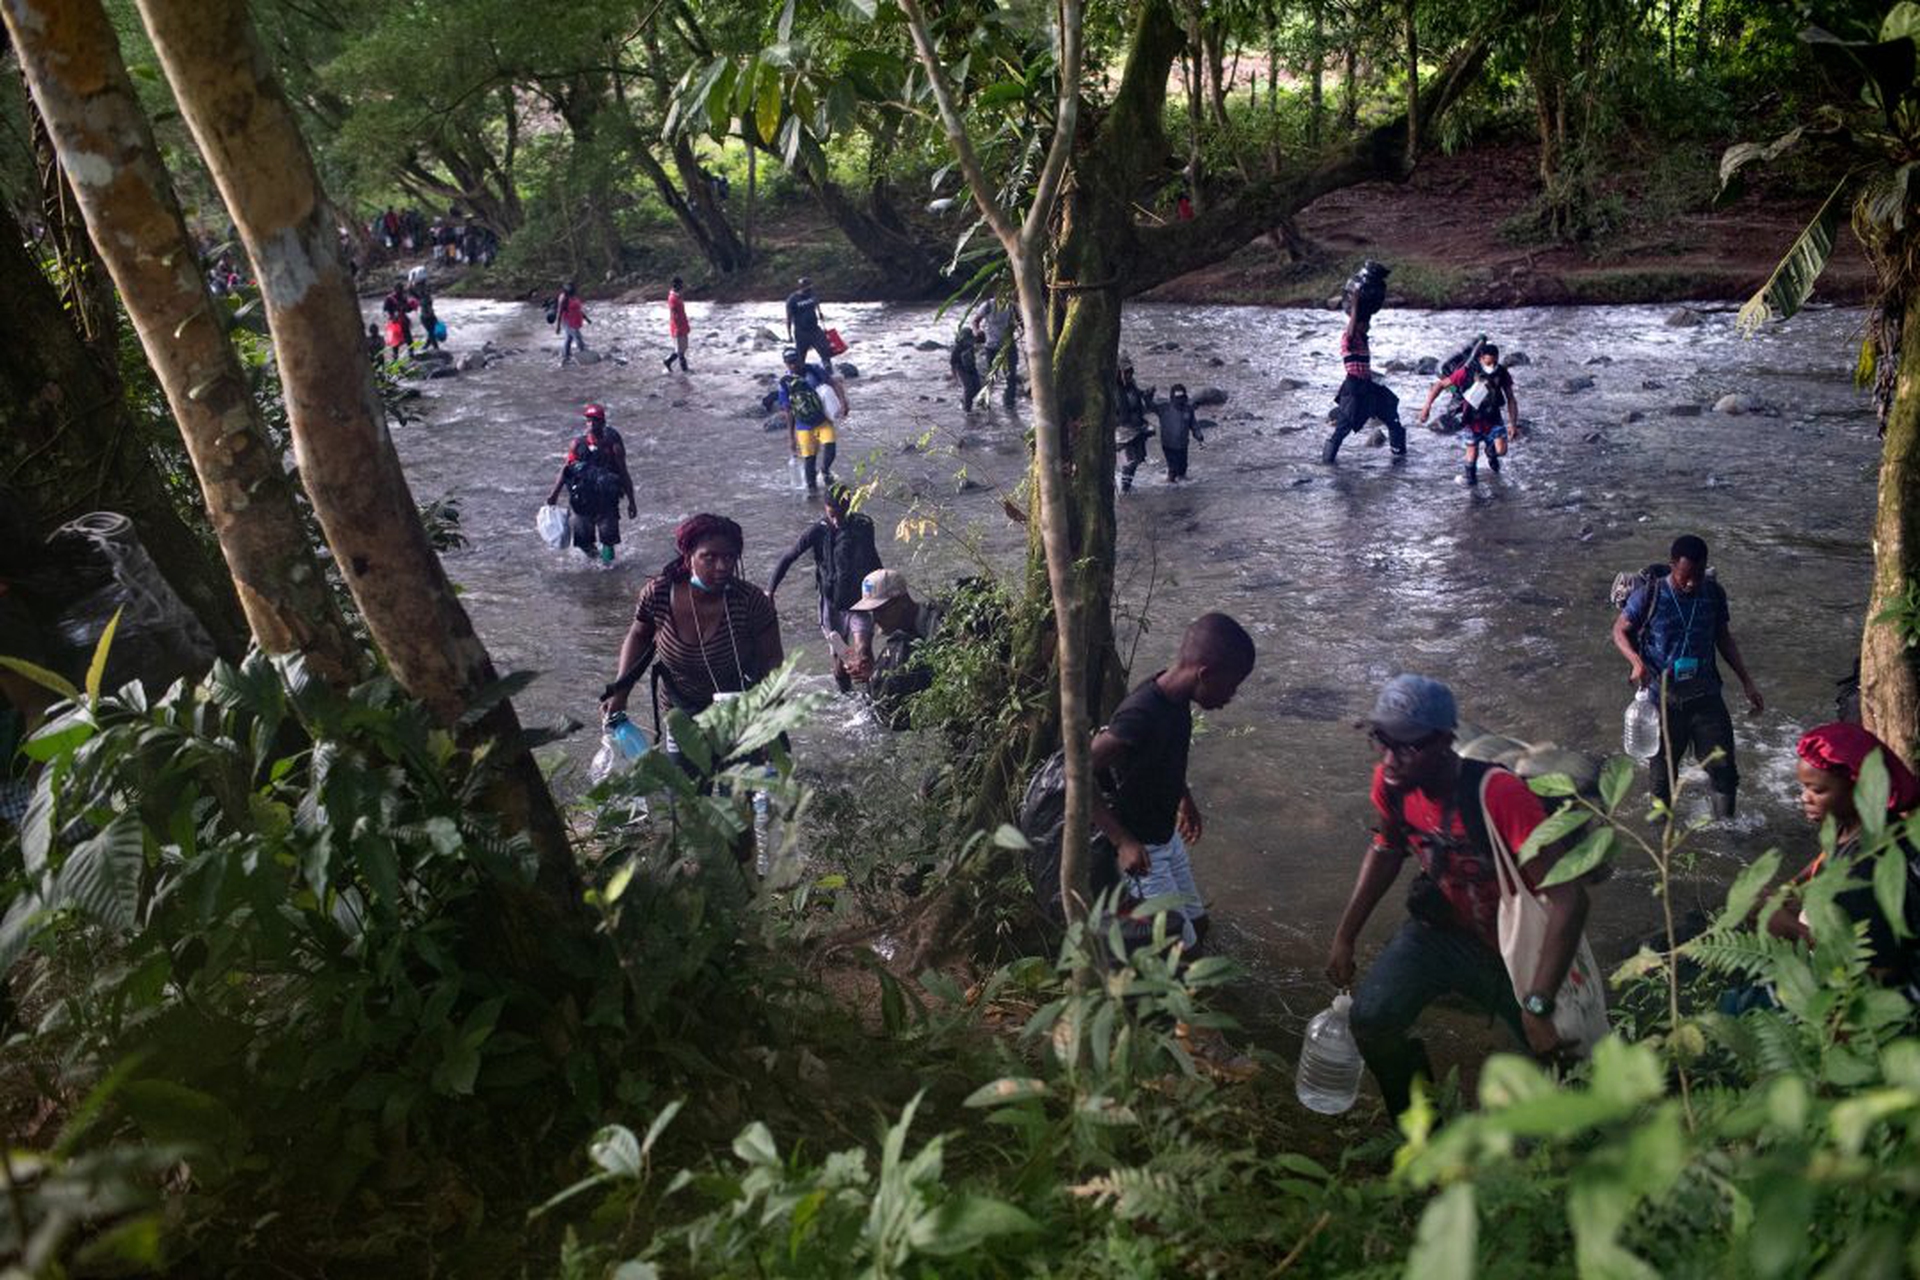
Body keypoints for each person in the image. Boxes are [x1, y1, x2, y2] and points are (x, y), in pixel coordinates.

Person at [1326, 674, 1593, 1117]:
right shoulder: (1391, 784)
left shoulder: (1499, 796)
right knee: (1372, 1020)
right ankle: (1419, 1128)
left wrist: (1539, 1002)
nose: (1390, 759)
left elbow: (1571, 899)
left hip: (1514, 948)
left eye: (1407, 746)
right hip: (1442, 932)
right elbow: (1388, 850)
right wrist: (1345, 935)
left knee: (1555, 1066)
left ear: (1444, 742)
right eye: (1381, 741)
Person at [1086, 613, 1257, 951]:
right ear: (1205, 674)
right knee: (1180, 949)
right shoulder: (1141, 713)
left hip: (1165, 839)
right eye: (1231, 686)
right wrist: (1122, 842)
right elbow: (1075, 772)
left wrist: (1185, 798)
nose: (1231, 696)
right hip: (1142, 853)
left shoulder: (1176, 699)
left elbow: (1163, 757)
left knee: (1198, 924)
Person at [1612, 534, 1764, 819]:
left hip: (1706, 697)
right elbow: (1619, 630)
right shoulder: (1650, 594)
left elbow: (1723, 638)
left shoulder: (1714, 594)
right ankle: (1660, 845)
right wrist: (1636, 662)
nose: (1692, 583)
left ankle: (1728, 834)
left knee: (1724, 772)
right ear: (1672, 566)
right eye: (1685, 577)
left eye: (1697, 575)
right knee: (1662, 782)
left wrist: (1747, 681)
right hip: (1663, 702)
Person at [1766, 723, 1920, 995]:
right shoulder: (1860, 826)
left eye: (1817, 790)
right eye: (1803, 787)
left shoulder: (1865, 873)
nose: (1805, 798)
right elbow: (1826, 855)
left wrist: (1793, 930)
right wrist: (1792, 887)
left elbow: (1881, 973)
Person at [603, 513, 784, 732]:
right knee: (682, 766)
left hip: (744, 709)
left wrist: (768, 715)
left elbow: (772, 660)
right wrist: (620, 693)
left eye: (729, 557)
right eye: (709, 557)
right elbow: (639, 636)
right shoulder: (659, 595)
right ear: (689, 557)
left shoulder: (750, 603)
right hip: (681, 709)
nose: (721, 566)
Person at [768, 484, 883, 693]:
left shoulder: (863, 525)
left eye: (842, 514)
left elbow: (873, 559)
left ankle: (874, 699)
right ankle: (848, 700)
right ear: (825, 508)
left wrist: (883, 596)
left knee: (863, 654)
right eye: (832, 515)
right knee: (843, 663)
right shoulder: (817, 531)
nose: (837, 520)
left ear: (849, 505)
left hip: (860, 602)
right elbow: (788, 557)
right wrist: (771, 590)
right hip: (831, 606)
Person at [1321, 260, 1404, 464]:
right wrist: (1356, 303)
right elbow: (1352, 326)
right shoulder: (1349, 339)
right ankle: (1327, 463)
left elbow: (1365, 319)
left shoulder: (1363, 339)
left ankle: (1399, 455)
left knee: (1391, 413)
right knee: (1342, 428)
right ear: (1357, 324)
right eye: (1364, 324)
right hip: (1354, 389)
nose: (1368, 326)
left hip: (1367, 387)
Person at [844, 568, 946, 730]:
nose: (876, 619)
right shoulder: (897, 645)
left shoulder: (939, 624)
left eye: (881, 610)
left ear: (903, 601)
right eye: (872, 612)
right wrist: (876, 675)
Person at [544, 404, 637, 566]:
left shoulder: (613, 446)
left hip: (607, 501)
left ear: (603, 423)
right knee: (583, 542)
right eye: (589, 421)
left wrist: (632, 501)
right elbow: (566, 469)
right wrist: (554, 495)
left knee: (608, 539)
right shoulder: (577, 445)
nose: (592, 424)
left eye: (596, 421)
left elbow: (624, 473)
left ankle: (608, 569)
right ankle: (596, 559)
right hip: (583, 502)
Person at [1417, 340, 1519, 486]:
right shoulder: (1465, 371)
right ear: (1481, 359)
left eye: (1494, 363)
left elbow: (1511, 398)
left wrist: (1513, 424)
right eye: (1488, 363)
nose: (1492, 366)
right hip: (1471, 416)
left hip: (1492, 416)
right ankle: (1471, 484)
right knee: (1472, 452)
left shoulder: (1501, 372)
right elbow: (1442, 385)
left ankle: (1491, 452)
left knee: (1501, 450)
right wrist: (1427, 406)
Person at [777, 347, 849, 496]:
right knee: (809, 461)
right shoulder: (784, 383)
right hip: (803, 427)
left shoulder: (814, 371)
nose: (793, 365)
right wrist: (791, 438)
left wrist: (843, 404)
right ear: (785, 364)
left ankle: (825, 471)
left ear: (800, 359)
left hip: (823, 421)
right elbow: (788, 411)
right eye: (790, 363)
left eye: (795, 361)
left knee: (830, 449)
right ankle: (812, 493)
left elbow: (834, 383)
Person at [1115, 358, 1154, 493]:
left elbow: (1140, 400)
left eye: (1129, 372)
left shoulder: (1132, 385)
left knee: (1136, 460)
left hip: (1137, 428)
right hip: (1121, 431)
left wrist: (1147, 395)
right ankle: (1124, 490)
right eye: (1124, 372)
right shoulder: (1113, 389)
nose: (1127, 375)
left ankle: (1127, 486)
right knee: (1128, 462)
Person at [785, 277, 835, 373]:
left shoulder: (812, 295)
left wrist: (820, 314)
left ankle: (829, 374)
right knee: (800, 357)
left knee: (825, 352)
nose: (809, 289)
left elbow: (817, 305)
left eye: (810, 286)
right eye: (807, 287)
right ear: (801, 287)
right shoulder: (792, 299)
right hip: (801, 332)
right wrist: (789, 334)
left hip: (815, 330)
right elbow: (789, 318)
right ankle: (799, 377)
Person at [1155, 383, 1204, 482]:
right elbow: (1149, 405)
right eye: (1177, 398)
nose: (1180, 401)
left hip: (1183, 445)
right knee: (1173, 469)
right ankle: (1169, 488)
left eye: (1182, 398)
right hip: (1169, 445)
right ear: (1172, 398)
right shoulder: (1164, 408)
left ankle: (1182, 492)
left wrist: (1199, 436)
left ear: (1185, 397)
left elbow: (1193, 424)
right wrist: (1148, 396)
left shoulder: (1188, 409)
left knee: (1182, 469)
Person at [980, 297, 1020, 407]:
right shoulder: (987, 305)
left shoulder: (1012, 305)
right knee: (991, 376)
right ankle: (985, 400)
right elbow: (976, 321)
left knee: (1011, 375)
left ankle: (1009, 402)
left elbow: (1020, 321)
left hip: (1008, 345)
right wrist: (977, 331)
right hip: (991, 345)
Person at [950, 322, 983, 412]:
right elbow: (953, 363)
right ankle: (967, 410)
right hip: (961, 369)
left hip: (972, 367)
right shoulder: (957, 349)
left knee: (978, 387)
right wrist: (955, 376)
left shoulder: (971, 342)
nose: (969, 341)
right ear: (962, 339)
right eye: (967, 339)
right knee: (968, 389)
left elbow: (981, 340)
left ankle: (964, 400)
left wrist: (979, 332)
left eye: (970, 338)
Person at [555, 282, 590, 365]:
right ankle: (583, 354)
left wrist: (586, 318)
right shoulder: (563, 298)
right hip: (568, 321)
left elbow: (579, 309)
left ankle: (566, 355)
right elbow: (559, 312)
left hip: (576, 320)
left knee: (569, 338)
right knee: (578, 337)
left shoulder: (574, 297)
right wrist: (558, 326)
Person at [663, 276, 692, 373]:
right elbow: (675, 316)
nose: (682, 287)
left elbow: (682, 313)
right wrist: (677, 329)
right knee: (680, 352)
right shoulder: (673, 298)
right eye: (681, 285)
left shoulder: (677, 296)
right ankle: (685, 370)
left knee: (682, 349)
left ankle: (667, 361)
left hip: (683, 326)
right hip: (678, 328)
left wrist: (686, 326)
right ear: (677, 285)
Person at [381, 281, 416, 354]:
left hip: (403, 321)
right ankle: (395, 358)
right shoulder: (389, 299)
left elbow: (407, 310)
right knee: (395, 341)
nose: (401, 291)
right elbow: (385, 311)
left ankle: (411, 354)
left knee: (409, 338)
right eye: (400, 289)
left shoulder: (403, 297)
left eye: (402, 289)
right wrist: (391, 317)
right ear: (395, 289)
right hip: (395, 323)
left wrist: (411, 307)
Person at [416, 288, 441, 352]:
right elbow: (429, 309)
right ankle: (435, 347)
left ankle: (426, 346)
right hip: (425, 318)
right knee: (431, 333)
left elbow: (430, 309)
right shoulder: (422, 298)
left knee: (431, 333)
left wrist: (435, 318)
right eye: (426, 292)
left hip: (430, 317)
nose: (428, 293)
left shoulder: (427, 298)